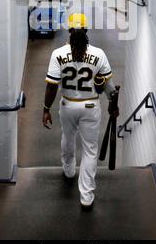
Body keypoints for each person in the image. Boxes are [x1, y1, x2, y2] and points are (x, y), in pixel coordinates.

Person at [42, 13, 118, 210]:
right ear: (86, 30)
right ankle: (86, 196)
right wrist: (112, 102)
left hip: (67, 105)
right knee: (90, 150)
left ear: (69, 30)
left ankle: (68, 171)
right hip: (91, 106)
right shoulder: (99, 54)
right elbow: (108, 85)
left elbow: (51, 86)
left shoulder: (57, 54)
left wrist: (46, 109)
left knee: (68, 138)